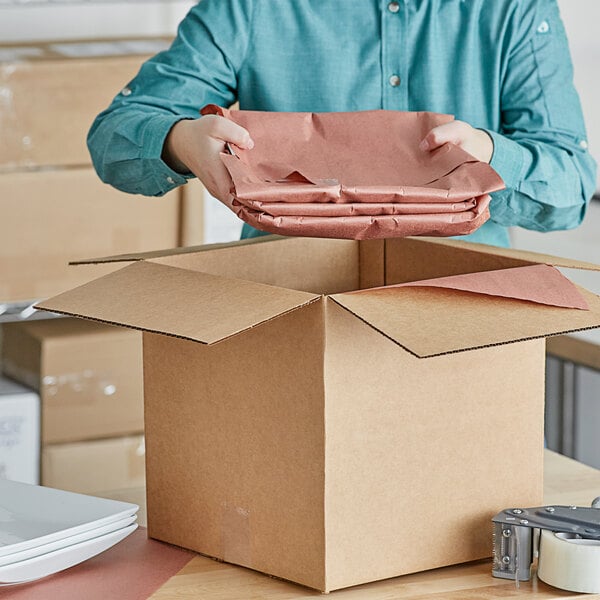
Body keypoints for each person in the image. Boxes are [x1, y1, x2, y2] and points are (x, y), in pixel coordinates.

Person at [87, 0, 597, 247]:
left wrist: (490, 158)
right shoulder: (246, 9)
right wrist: (180, 143)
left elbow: (573, 186)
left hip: (464, 305)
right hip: (288, 308)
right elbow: (115, 135)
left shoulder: (515, 11)